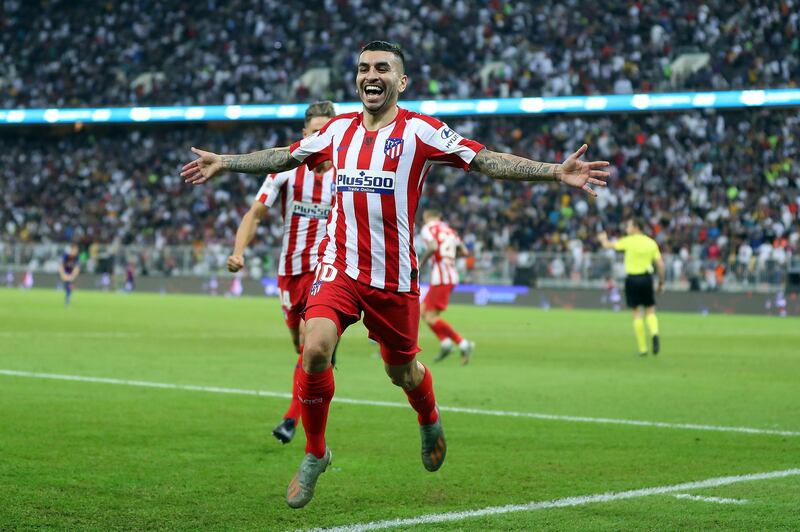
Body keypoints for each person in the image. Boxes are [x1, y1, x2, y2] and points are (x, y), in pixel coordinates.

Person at [182, 40, 609, 509]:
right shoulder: (337, 130)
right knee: (315, 349)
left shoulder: (421, 132)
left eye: (383, 68)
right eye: (364, 67)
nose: (372, 74)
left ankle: (428, 417)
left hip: (393, 278)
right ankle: (315, 452)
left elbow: (485, 160)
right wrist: (226, 161)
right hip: (338, 266)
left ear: (401, 82)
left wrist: (553, 172)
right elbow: (285, 155)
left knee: (401, 371)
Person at [226, 101, 337, 445]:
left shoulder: (346, 173)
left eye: (327, 132)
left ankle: (292, 419)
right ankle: (323, 359)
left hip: (326, 271)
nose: (322, 137)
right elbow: (255, 214)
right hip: (290, 271)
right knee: (299, 347)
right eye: (316, 132)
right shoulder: (286, 171)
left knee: (309, 347)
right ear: (304, 135)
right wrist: (238, 252)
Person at [599, 217, 665, 356]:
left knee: (636, 313)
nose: (627, 229)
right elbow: (660, 264)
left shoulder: (628, 241)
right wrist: (661, 283)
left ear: (636, 227)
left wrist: (603, 238)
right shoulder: (651, 243)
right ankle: (654, 333)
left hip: (632, 279)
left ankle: (643, 349)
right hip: (647, 278)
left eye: (629, 226)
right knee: (650, 311)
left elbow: (607, 246)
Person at [418, 209, 474, 364]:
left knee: (430, 316)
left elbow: (433, 246)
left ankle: (462, 343)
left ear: (427, 217)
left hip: (441, 277)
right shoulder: (450, 231)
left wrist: (420, 264)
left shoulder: (428, 228)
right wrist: (449, 258)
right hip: (449, 275)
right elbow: (465, 251)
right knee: (422, 311)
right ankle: (446, 343)